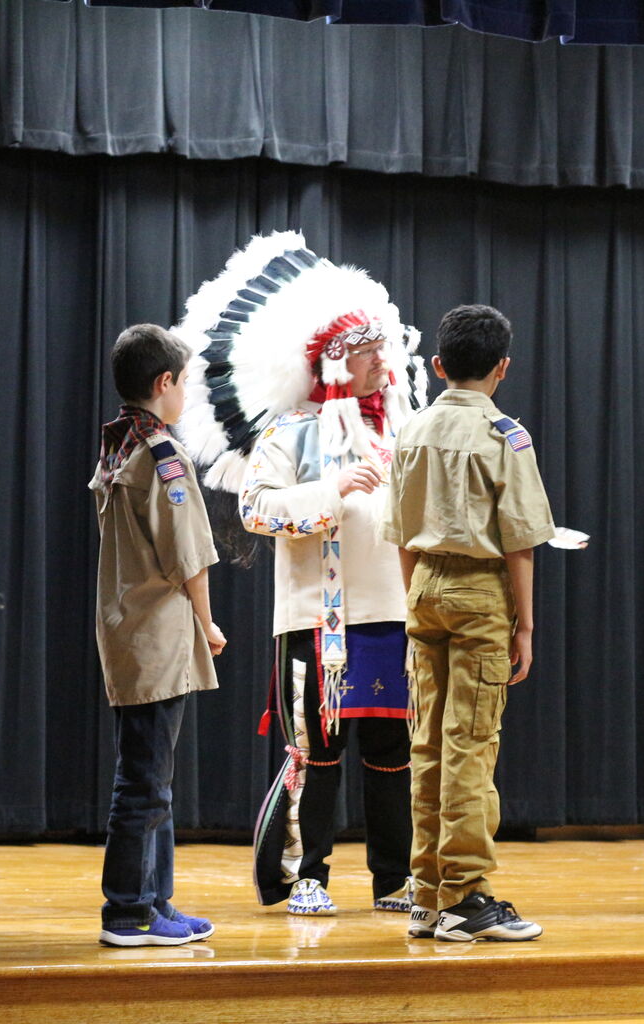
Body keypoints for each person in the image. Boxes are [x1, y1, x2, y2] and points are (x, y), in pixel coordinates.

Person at [174, 232, 427, 916]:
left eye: (385, 349)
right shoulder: (289, 435)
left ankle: (392, 879)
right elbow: (255, 511)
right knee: (316, 751)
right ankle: (307, 874)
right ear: (336, 362)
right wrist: (333, 491)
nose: (385, 362)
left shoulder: (402, 434)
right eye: (370, 351)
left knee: (391, 754)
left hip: (393, 619)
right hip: (317, 623)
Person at [382, 304, 556, 942]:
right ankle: (467, 894)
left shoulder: (411, 430)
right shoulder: (507, 435)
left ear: (437, 366)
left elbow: (399, 531)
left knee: (426, 743)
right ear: (502, 369)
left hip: (422, 583)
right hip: (481, 591)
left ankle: (426, 895)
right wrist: (526, 626)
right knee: (470, 746)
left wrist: (415, 600)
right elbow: (521, 543)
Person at [89, 323, 227, 946]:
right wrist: (208, 621)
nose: (188, 393)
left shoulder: (119, 442)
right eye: (185, 381)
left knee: (152, 776)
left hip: (126, 622)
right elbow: (189, 557)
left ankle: (155, 903)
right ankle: (129, 910)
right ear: (163, 383)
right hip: (156, 630)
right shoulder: (161, 455)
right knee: (144, 780)